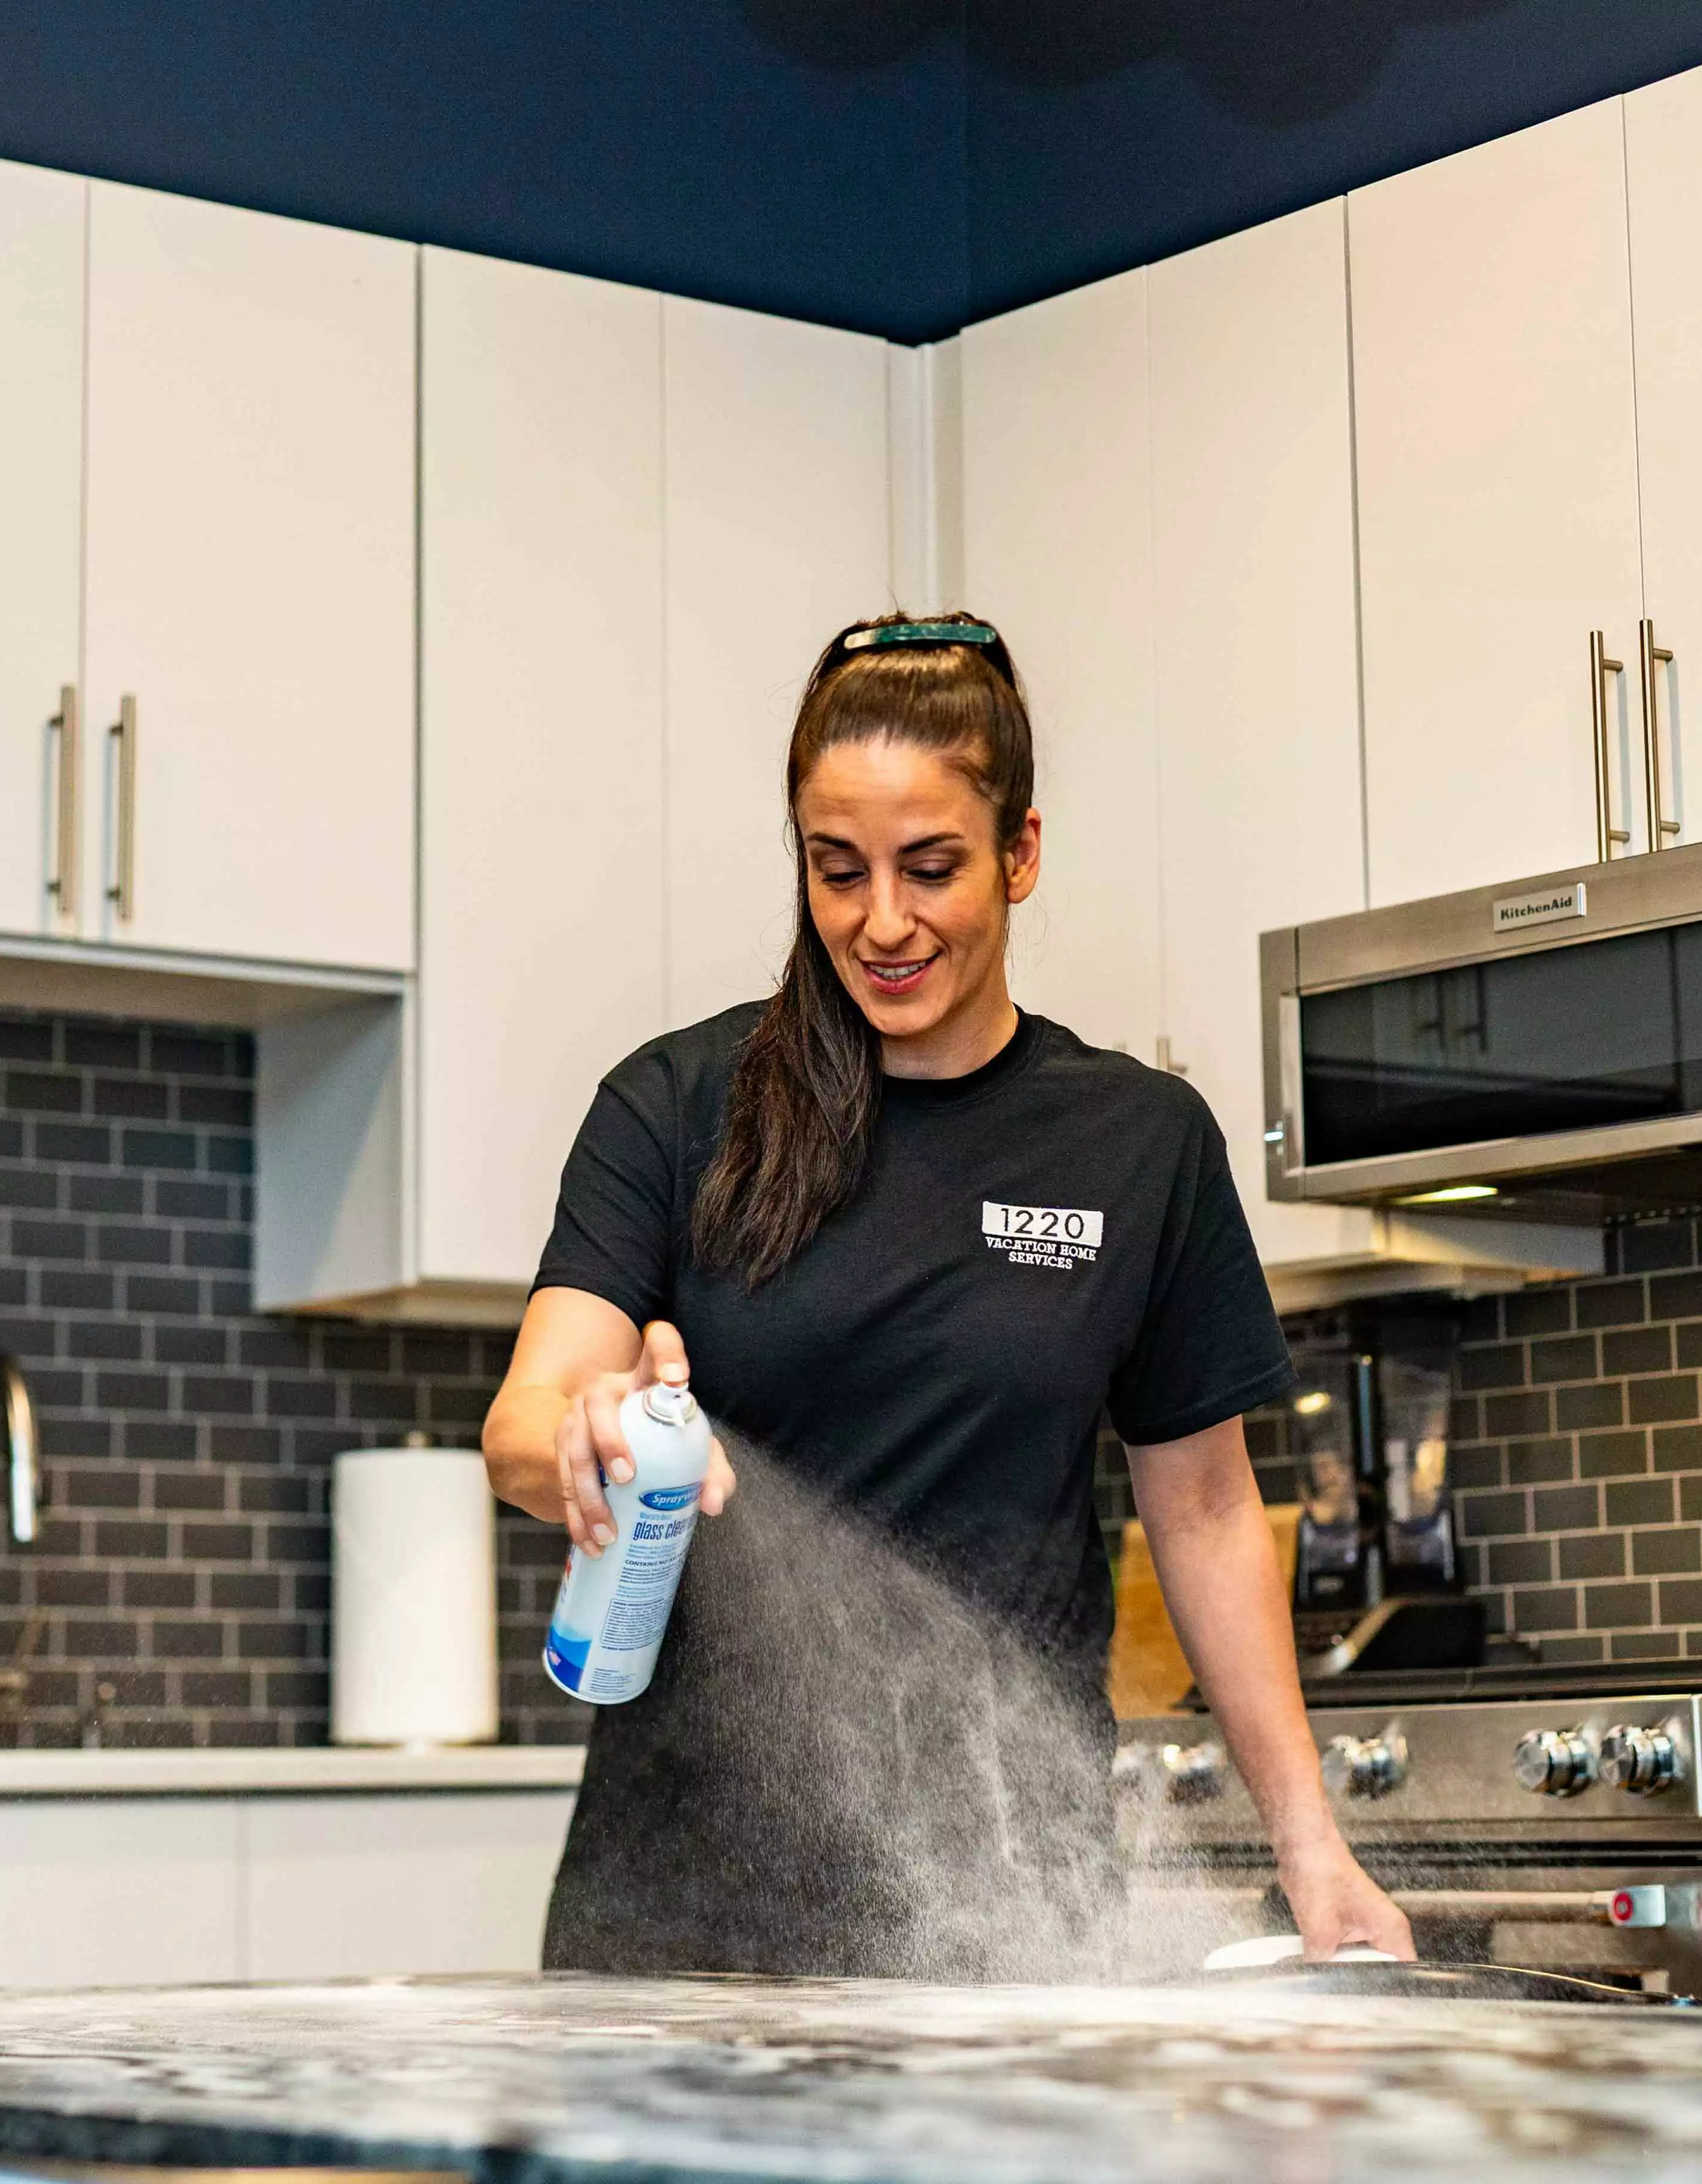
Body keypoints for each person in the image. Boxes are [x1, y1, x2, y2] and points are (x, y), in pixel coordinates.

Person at [480, 611, 1412, 1979]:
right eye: (834, 870)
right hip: (683, 1902)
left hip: (1007, 1886)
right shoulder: (677, 1109)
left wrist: (1308, 1848)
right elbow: (529, 1413)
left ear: (1021, 852)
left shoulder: (1137, 1143)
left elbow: (1207, 1511)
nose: (881, 923)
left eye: (931, 868)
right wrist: (587, 1432)